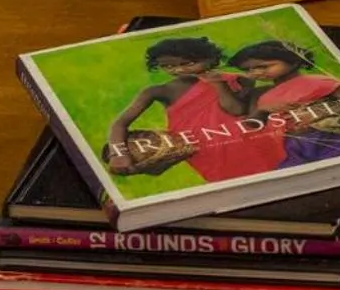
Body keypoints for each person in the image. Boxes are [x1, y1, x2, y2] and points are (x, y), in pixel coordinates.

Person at [104, 36, 283, 182]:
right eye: (168, 66)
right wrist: (117, 154)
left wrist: (218, 85)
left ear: (211, 60)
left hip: (249, 140)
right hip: (204, 150)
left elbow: (236, 110)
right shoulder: (160, 91)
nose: (178, 70)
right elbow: (120, 124)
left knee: (276, 174)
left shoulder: (238, 79)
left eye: (188, 63)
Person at [228, 40, 340, 168]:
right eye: (248, 70)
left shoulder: (318, 82)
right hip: (293, 145)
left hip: (335, 138)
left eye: (264, 66)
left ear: (293, 61)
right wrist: (262, 110)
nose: (256, 73)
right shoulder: (263, 94)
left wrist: (319, 111)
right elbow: (252, 125)